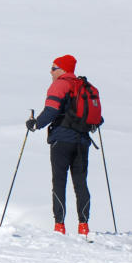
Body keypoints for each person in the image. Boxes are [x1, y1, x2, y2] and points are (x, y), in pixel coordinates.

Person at [26, 55, 91, 236]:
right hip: (82, 141)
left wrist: (35, 124)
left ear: (63, 69)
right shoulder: (84, 86)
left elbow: (51, 110)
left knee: (59, 181)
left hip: (61, 140)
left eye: (54, 67)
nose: (51, 71)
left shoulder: (60, 84)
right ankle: (83, 226)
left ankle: (59, 226)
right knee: (80, 183)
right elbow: (97, 118)